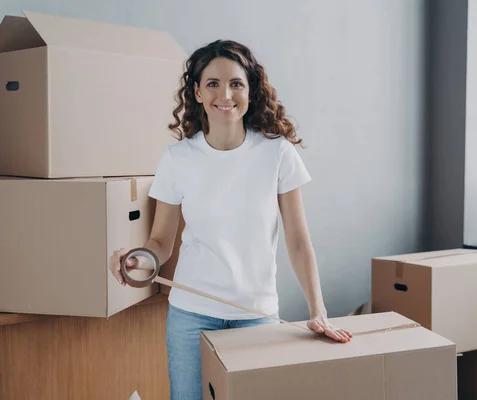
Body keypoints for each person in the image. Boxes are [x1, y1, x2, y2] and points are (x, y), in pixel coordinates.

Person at [108, 39, 352, 400]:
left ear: (250, 91)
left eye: (236, 83)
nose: (225, 93)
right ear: (197, 92)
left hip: (257, 315)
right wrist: (135, 260)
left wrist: (319, 310)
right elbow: (161, 242)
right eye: (213, 83)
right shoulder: (178, 158)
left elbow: (298, 240)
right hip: (191, 318)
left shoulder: (277, 153)